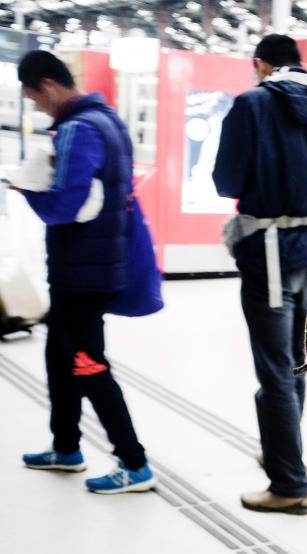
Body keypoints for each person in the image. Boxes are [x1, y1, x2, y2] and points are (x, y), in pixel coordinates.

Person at [16, 51, 156, 494]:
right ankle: (66, 447)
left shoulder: (79, 128)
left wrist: (25, 189)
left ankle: (134, 463)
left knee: (88, 364)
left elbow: (64, 206)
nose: (38, 108)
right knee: (60, 357)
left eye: (36, 100)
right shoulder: (109, 121)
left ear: (49, 86)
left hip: (82, 275)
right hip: (90, 269)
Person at [212, 34, 307, 515]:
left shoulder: (252, 104)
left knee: (276, 370)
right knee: (297, 362)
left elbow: (226, 181)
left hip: (270, 256)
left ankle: (290, 484)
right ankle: (283, 452)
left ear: (260, 65)